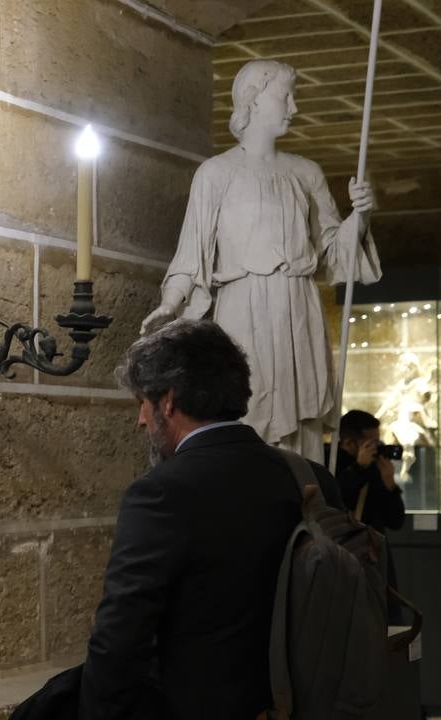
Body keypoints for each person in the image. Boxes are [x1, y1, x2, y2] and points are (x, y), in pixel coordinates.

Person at [79, 319, 341, 720]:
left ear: (168, 400)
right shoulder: (309, 477)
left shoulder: (164, 492)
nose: (140, 419)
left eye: (144, 404)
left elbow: (119, 637)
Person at [140, 59, 380, 460]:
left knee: (299, 412)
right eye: (285, 97)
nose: (293, 107)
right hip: (243, 308)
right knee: (248, 406)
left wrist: (361, 215)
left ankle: (303, 501)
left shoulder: (306, 173)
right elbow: (191, 252)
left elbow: (335, 252)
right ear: (252, 101)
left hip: (297, 307)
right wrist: (171, 302)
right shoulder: (216, 174)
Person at [333, 410, 441, 720]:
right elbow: (337, 501)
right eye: (371, 441)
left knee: (400, 638)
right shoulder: (332, 463)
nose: (379, 447)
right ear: (348, 442)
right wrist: (358, 468)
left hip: (380, 566)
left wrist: (389, 485)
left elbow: (396, 520)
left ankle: (414, 719)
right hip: (348, 568)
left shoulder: (376, 470)